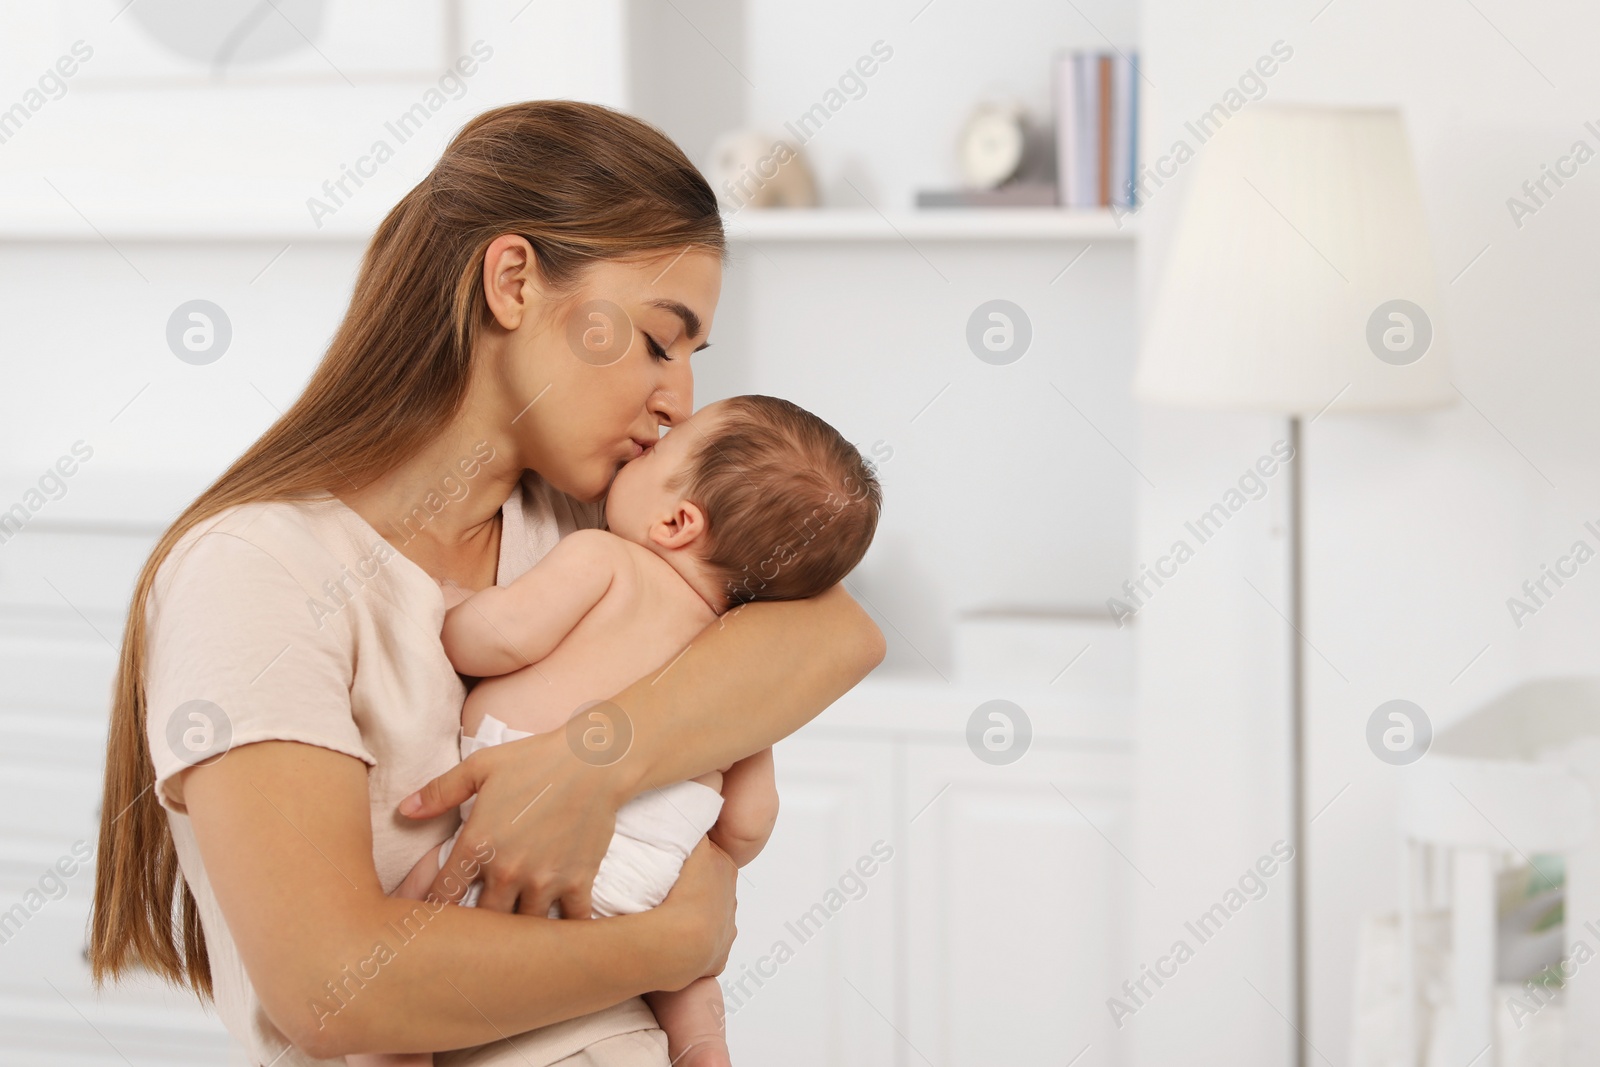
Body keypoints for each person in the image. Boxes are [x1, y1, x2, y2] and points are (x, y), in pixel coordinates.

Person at [88, 100, 886, 1067]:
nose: (680, 400)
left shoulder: (583, 521)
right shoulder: (258, 572)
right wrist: (672, 944)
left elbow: (841, 634)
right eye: (657, 340)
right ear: (512, 281)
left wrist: (595, 762)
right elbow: (336, 988)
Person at [351, 394, 883, 1067]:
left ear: (676, 521)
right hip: (648, 874)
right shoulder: (737, 663)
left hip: (511, 828)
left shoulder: (604, 560)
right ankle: (703, 1046)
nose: (649, 437)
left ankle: (390, 1052)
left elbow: (497, 639)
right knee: (686, 973)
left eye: (663, 449)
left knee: (405, 937)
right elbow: (749, 820)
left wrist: (451, 606)